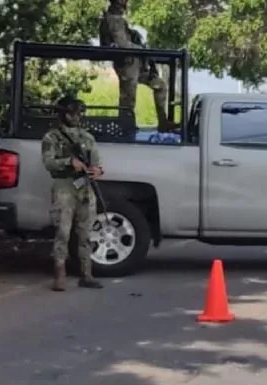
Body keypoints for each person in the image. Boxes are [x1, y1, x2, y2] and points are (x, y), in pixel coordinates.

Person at [41, 95, 104, 291]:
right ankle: (60, 274)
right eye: (73, 113)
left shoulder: (87, 137)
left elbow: (96, 163)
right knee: (63, 232)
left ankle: (87, 273)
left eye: (78, 113)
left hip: (85, 187)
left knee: (85, 233)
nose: (77, 117)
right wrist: (68, 162)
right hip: (64, 186)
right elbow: (48, 162)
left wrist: (97, 171)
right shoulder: (51, 137)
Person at [99, 0, 175, 132]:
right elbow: (122, 44)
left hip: (137, 64)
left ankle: (163, 122)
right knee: (128, 99)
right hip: (126, 64)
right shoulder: (112, 19)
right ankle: (126, 128)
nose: (125, 4)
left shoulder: (119, 20)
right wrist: (141, 49)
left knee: (160, 86)